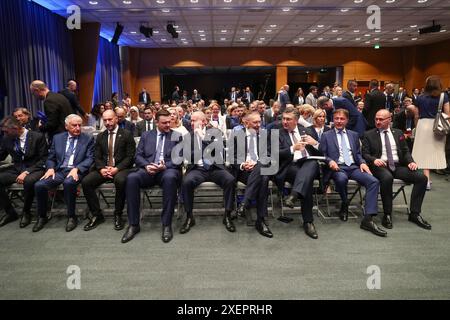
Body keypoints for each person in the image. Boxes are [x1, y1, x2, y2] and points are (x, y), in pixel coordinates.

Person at [362, 109, 431, 230]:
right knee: (387, 178)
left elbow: (405, 151)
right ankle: (387, 214)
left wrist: (411, 162)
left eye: (381, 119)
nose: (378, 121)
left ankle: (415, 213)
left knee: (422, 178)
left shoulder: (398, 133)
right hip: (380, 166)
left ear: (389, 120)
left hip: (397, 166)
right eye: (376, 119)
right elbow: (365, 153)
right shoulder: (369, 134)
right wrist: (373, 160)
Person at [320, 109, 384, 237]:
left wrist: (362, 162)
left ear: (347, 120)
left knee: (373, 181)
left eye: (342, 119)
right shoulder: (326, 135)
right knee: (342, 179)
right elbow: (322, 155)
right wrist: (330, 161)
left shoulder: (353, 135)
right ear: (333, 119)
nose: (339, 121)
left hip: (354, 167)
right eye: (336, 118)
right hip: (337, 167)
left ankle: (368, 218)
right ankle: (345, 204)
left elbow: (358, 154)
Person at [121, 109, 182, 243]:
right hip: (148, 169)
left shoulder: (176, 136)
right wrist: (146, 166)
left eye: (169, 122)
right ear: (156, 122)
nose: (168, 125)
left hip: (167, 170)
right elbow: (138, 156)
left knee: (170, 178)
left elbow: (179, 159)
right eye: (164, 123)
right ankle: (133, 224)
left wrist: (165, 165)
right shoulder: (146, 135)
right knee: (131, 178)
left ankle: (166, 224)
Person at [33, 114, 95, 232]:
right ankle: (42, 216)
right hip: (59, 170)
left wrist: (77, 168)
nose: (77, 128)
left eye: (79, 125)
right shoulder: (58, 138)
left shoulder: (88, 138)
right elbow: (51, 157)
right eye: (74, 125)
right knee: (39, 185)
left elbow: (90, 158)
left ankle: (71, 216)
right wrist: (50, 168)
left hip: (77, 170)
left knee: (69, 183)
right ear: (66, 126)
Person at [180, 111, 236, 234]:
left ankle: (227, 215)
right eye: (191, 120)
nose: (191, 123)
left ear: (204, 121)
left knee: (230, 180)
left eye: (195, 120)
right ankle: (189, 216)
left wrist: (203, 138)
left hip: (215, 168)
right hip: (198, 169)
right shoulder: (188, 136)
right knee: (186, 182)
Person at [81, 110, 136, 231]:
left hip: (121, 168)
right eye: (105, 120)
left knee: (120, 181)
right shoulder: (101, 136)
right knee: (86, 182)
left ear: (116, 119)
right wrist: (101, 169)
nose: (107, 122)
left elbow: (130, 157)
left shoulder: (126, 134)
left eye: (110, 119)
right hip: (104, 169)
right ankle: (97, 214)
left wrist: (117, 169)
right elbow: (97, 156)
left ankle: (118, 214)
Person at [276, 106, 322, 239]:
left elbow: (322, 152)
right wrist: (292, 148)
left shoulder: (307, 131)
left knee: (312, 163)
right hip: (290, 166)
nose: (284, 121)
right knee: (306, 181)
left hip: (308, 163)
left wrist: (315, 144)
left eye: (288, 119)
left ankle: (294, 195)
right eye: (283, 119)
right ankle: (308, 222)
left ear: (296, 120)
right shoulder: (277, 133)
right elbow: (273, 154)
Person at [0, 116, 47, 228]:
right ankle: (10, 212)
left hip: (35, 168)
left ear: (16, 128)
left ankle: (26, 212)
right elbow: (1, 155)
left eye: (6, 131)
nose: (4, 134)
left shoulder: (37, 137)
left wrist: (27, 171)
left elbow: (44, 159)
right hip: (17, 169)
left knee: (29, 181)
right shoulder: (7, 139)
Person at [232, 112, 272, 237]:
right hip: (244, 171)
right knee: (263, 179)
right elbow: (231, 157)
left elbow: (270, 155)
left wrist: (256, 164)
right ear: (246, 123)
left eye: (260, 122)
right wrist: (242, 164)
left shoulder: (265, 135)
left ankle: (245, 203)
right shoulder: (237, 136)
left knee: (263, 171)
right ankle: (260, 220)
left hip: (260, 167)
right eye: (255, 122)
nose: (258, 125)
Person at [412, 75, 450, 190]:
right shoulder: (444, 96)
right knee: (435, 151)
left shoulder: (420, 97)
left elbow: (416, 115)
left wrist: (416, 127)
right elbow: (448, 114)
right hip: (437, 126)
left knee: (423, 153)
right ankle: (427, 179)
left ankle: (426, 179)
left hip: (423, 125)